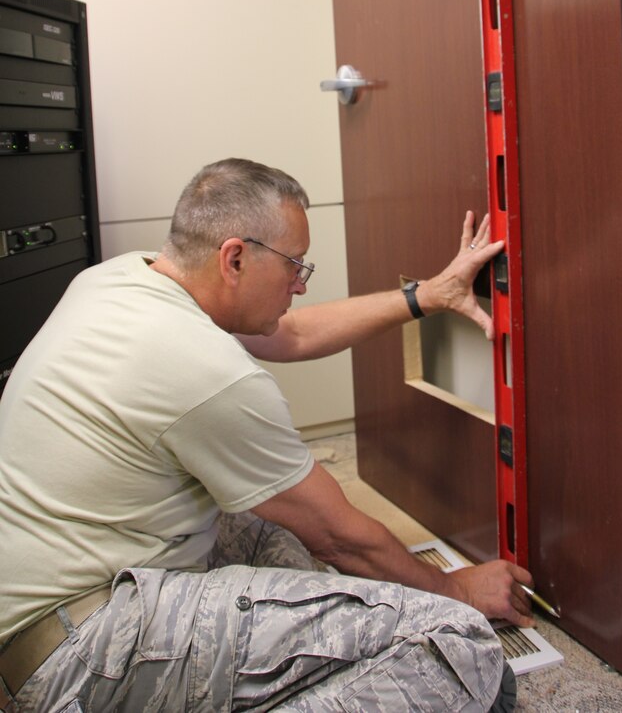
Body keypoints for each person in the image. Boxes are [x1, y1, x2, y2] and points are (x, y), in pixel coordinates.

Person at [0, 158, 533, 712]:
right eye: (295, 266)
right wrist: (459, 591)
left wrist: (429, 295)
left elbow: (294, 334)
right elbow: (339, 535)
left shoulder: (122, 278)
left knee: (276, 529)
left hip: (48, 614)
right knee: (458, 650)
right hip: (84, 654)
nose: (300, 286)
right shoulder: (204, 368)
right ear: (234, 258)